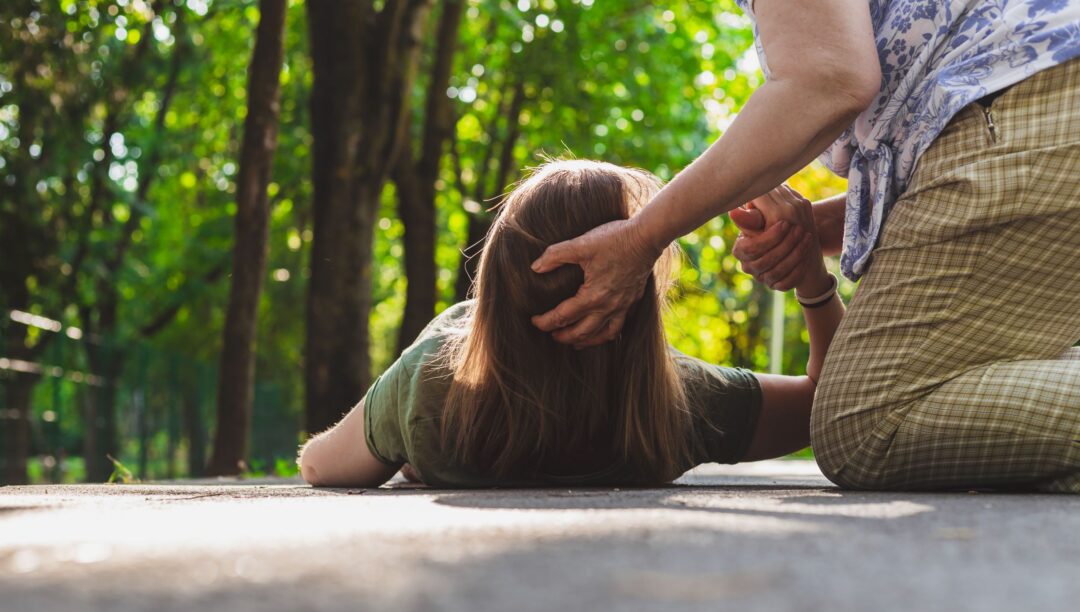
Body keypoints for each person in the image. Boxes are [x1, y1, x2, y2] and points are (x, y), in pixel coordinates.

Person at [528, 1, 1080, 492]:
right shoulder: (684, 400)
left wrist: (643, 235)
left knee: (864, 427)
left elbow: (828, 79)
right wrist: (811, 237)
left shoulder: (442, 388)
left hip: (1033, 101)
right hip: (1041, 95)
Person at [298, 160, 843, 488]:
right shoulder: (679, 403)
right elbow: (829, 406)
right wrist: (813, 285)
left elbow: (320, 467)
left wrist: (412, 420)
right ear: (635, 295)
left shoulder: (433, 385)